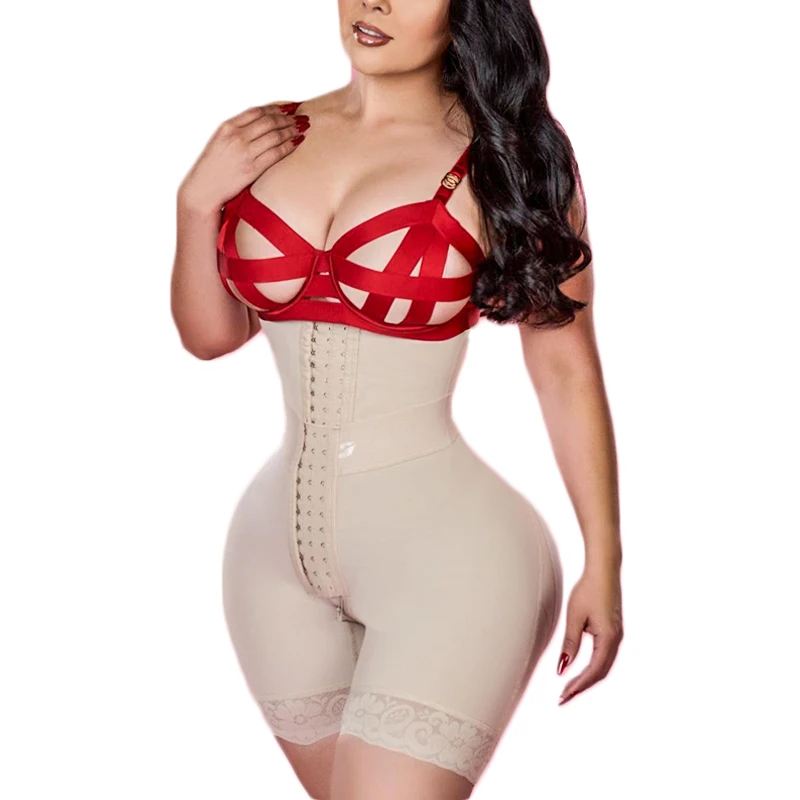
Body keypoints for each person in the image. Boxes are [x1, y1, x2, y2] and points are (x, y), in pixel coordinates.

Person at [171, 1, 623, 797]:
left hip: (450, 558)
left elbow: (565, 370)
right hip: (268, 562)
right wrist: (194, 203)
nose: (376, 2)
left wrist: (604, 559)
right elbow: (210, 337)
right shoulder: (265, 136)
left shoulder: (506, 163)